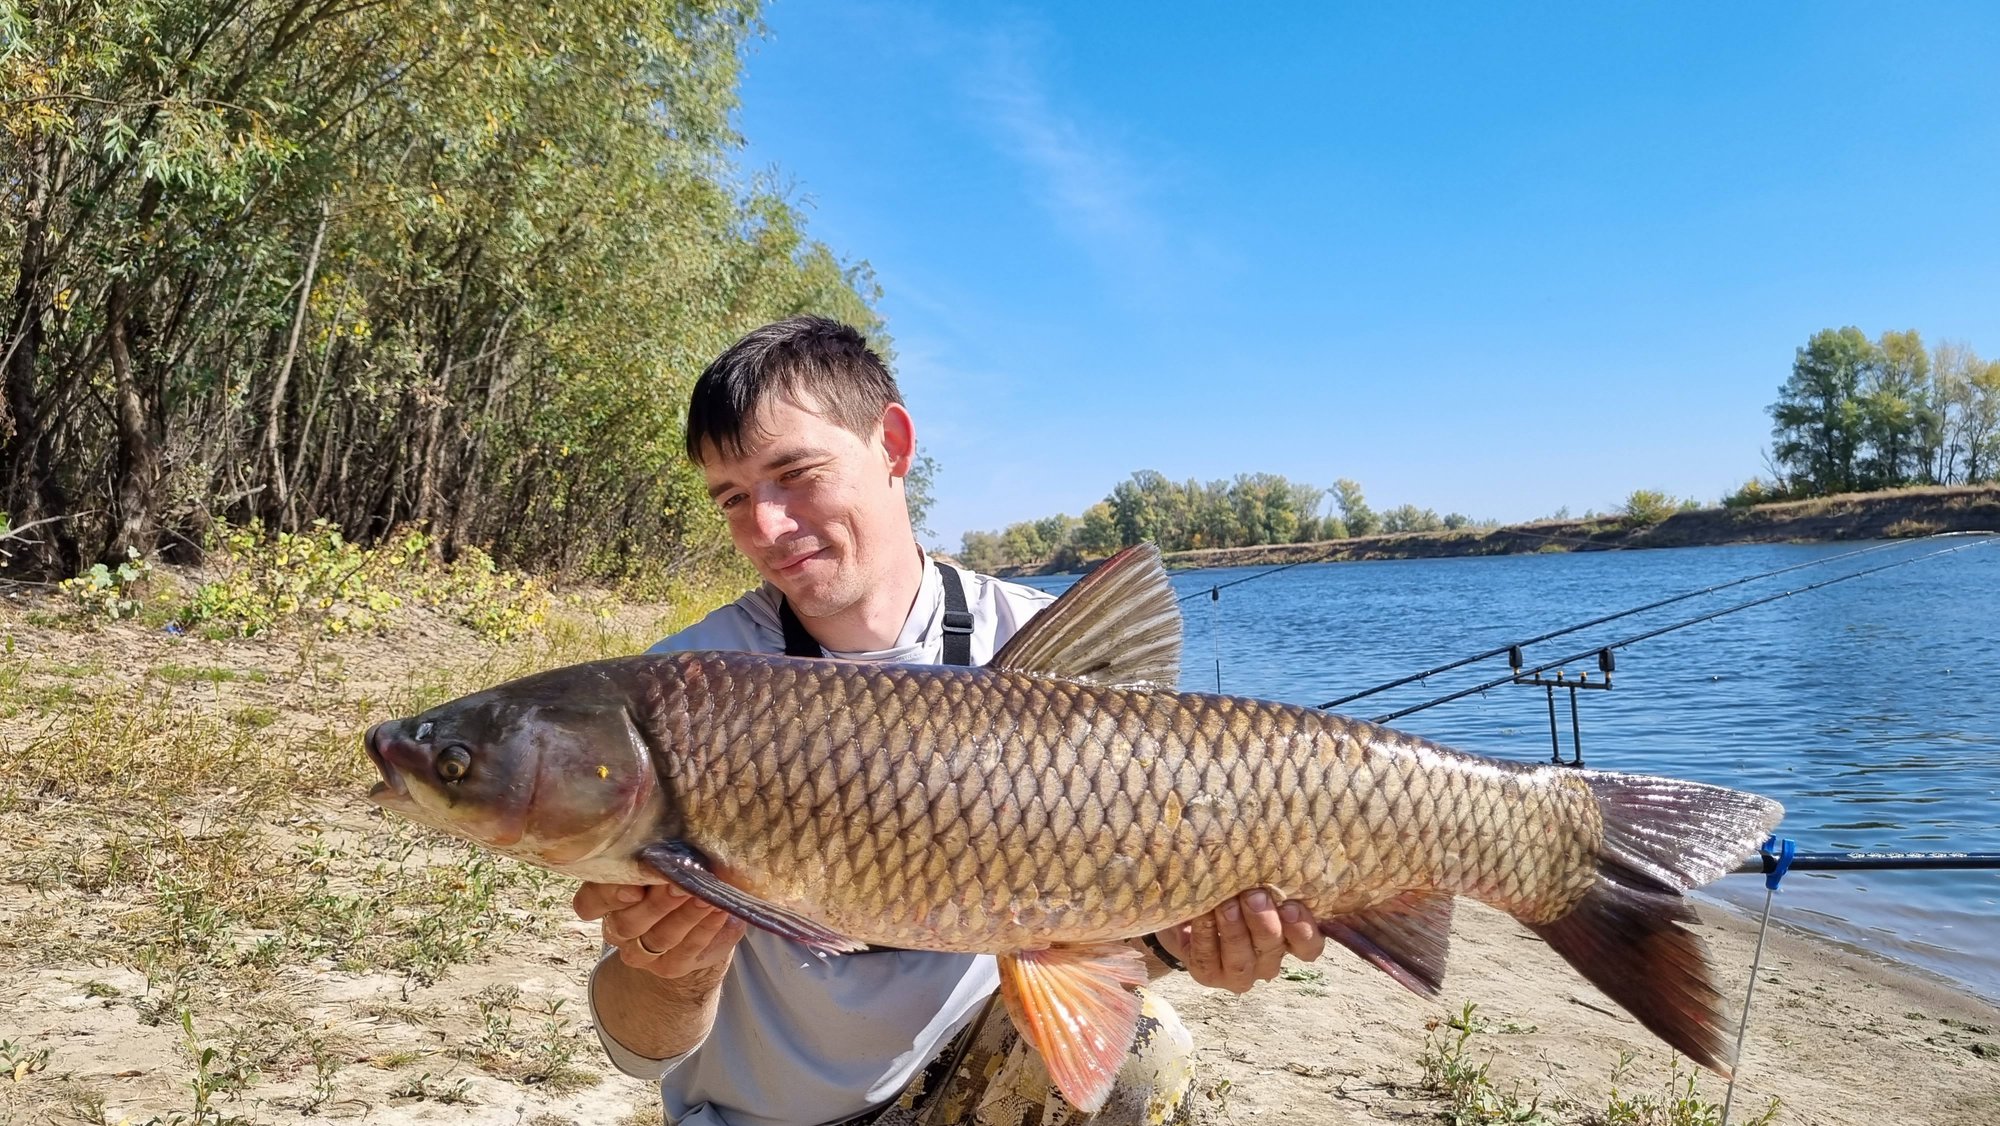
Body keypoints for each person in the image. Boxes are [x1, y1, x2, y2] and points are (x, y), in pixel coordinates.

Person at [571, 316, 1326, 1125]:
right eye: (733, 498)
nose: (765, 526)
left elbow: (1092, 946)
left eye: (794, 473)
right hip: (758, 1117)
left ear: (892, 443)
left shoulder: (1034, 641)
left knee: (1150, 1047)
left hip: (967, 1090)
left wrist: (1183, 939)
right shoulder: (682, 696)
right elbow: (637, 1049)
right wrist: (671, 971)